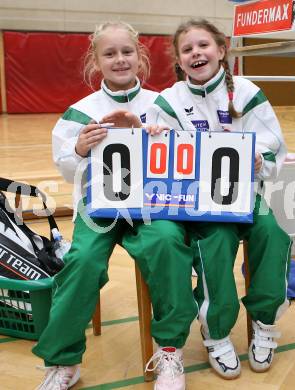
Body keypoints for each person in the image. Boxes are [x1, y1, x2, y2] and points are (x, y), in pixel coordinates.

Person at [144, 18, 292, 383]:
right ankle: (217, 333)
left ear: (222, 50)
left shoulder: (247, 92)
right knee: (216, 241)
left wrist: (259, 160)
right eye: (187, 49)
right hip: (199, 204)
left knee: (272, 232)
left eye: (203, 45)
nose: (197, 53)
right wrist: (156, 136)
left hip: (246, 195)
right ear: (179, 61)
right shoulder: (168, 101)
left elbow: (275, 149)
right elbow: (156, 162)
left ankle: (264, 321)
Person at [32, 21, 158, 389]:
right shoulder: (79, 111)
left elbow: (177, 162)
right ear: (95, 60)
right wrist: (79, 149)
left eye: (127, 51)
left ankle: (171, 349)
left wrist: (150, 137)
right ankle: (64, 361)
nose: (120, 59)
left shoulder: (162, 104)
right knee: (82, 261)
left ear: (140, 56)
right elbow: (67, 171)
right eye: (110, 53)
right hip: (98, 208)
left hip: (151, 206)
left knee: (168, 249)